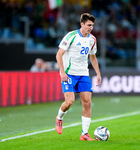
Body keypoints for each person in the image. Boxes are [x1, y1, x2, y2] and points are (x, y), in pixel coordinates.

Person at [55, 13, 102, 141]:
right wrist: (63, 72)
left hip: (83, 74)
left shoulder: (92, 39)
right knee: (69, 102)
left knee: (87, 103)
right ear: (82, 24)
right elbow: (59, 55)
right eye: (88, 25)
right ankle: (59, 118)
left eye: (92, 25)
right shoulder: (71, 36)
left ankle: (84, 134)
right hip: (69, 73)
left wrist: (98, 73)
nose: (91, 27)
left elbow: (92, 57)